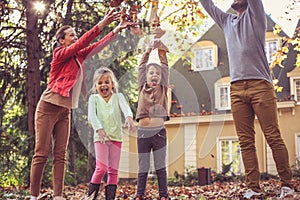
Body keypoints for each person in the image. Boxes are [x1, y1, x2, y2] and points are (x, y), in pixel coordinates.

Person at [29, 9, 135, 200]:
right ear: (62, 40)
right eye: (71, 35)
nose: (75, 38)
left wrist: (117, 29)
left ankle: (58, 196)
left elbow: (96, 46)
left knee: (60, 155)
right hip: (48, 106)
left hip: (65, 111)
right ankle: (33, 195)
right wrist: (102, 23)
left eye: (76, 35)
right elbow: (84, 42)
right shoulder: (60, 54)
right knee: (42, 153)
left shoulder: (78, 57)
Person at [199, 0, 294, 199]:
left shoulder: (256, 15)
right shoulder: (226, 21)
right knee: (245, 141)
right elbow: (207, 4)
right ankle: (254, 188)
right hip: (236, 88)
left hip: (260, 85)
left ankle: (287, 185)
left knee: (272, 136)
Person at [87, 67, 135, 200]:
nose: (104, 85)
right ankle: (91, 196)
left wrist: (129, 117)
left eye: (107, 82)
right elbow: (92, 116)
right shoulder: (94, 99)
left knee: (113, 171)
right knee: (101, 168)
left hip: (116, 138)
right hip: (100, 139)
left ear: (112, 84)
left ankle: (110, 198)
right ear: (96, 86)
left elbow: (126, 108)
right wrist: (99, 129)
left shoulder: (118, 97)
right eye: (100, 83)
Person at [134, 26, 170, 200]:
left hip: (159, 133)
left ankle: (164, 195)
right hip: (142, 133)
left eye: (157, 73)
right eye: (151, 73)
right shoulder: (142, 87)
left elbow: (164, 65)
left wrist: (159, 45)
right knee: (143, 166)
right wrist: (149, 49)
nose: (154, 75)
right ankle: (139, 194)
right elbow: (142, 65)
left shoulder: (163, 88)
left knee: (160, 166)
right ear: (146, 76)